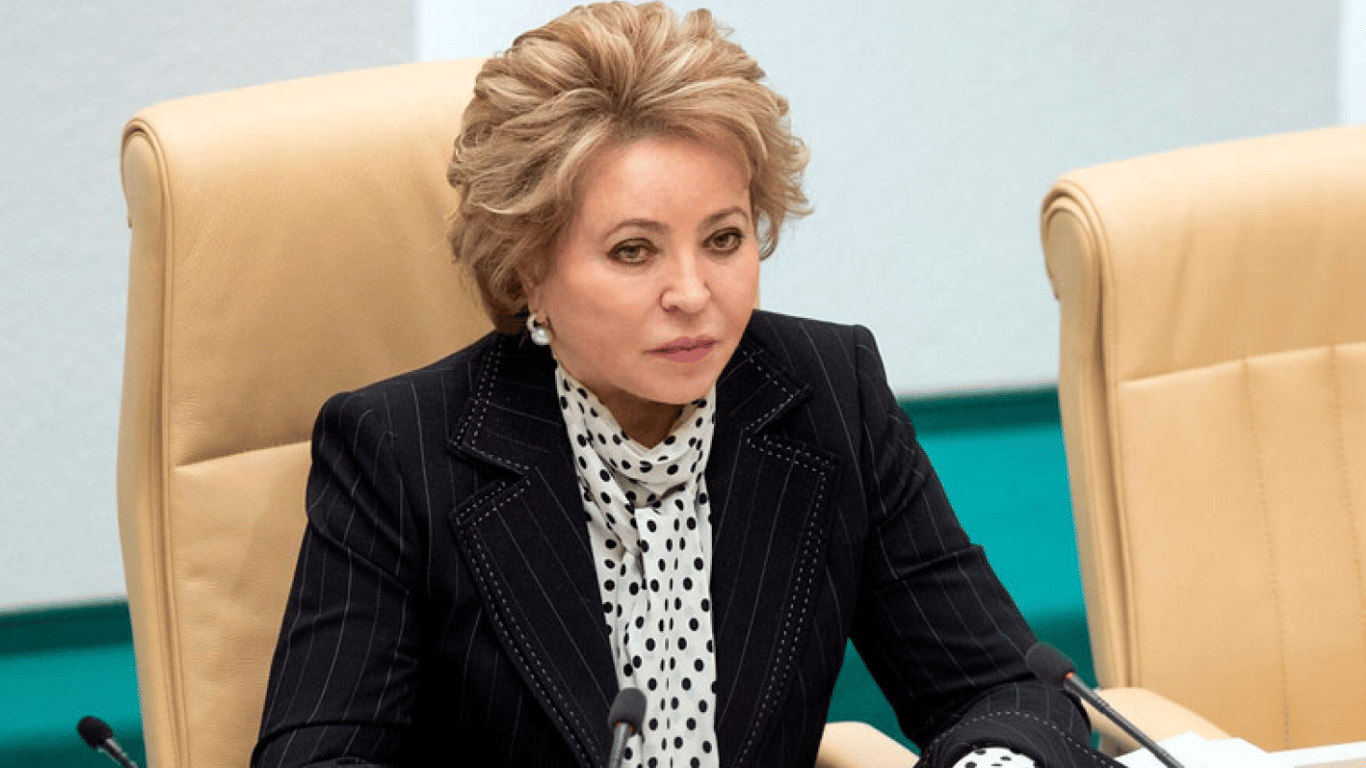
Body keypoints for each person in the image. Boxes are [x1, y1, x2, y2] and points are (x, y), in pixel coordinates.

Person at [252, 4, 1121, 767]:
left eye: (724, 239)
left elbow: (1002, 687)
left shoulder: (829, 394)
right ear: (525, 270)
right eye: (634, 251)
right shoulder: (398, 450)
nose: (694, 293)